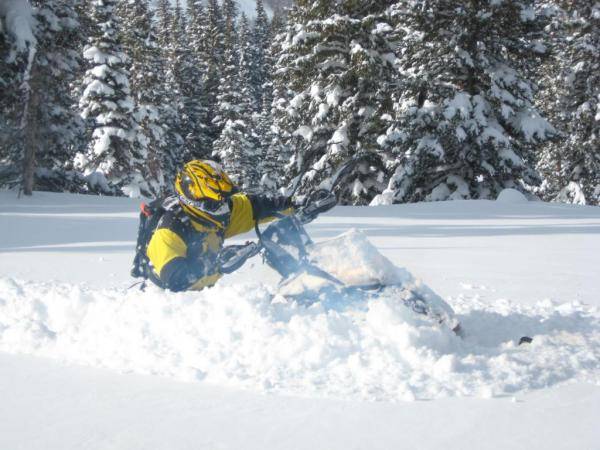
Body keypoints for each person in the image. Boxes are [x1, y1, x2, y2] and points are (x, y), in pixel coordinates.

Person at [146, 160, 292, 292]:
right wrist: (217, 264)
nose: (222, 207)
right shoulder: (169, 230)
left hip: (206, 295)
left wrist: (294, 205)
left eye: (223, 200)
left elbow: (256, 207)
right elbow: (177, 281)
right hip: (167, 304)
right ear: (195, 200)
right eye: (215, 203)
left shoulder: (218, 212)